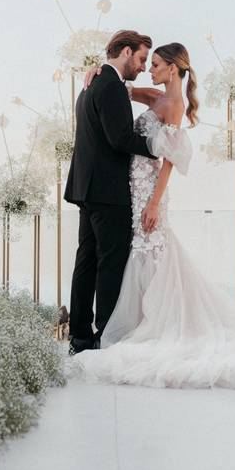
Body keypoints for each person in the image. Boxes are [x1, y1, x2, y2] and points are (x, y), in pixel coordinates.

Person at [70, 42, 235, 388]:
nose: (149, 70)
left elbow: (169, 160)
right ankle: (131, 326)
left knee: (144, 254)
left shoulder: (175, 105)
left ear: (172, 68)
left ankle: (139, 328)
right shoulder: (156, 97)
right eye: (146, 62)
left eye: (155, 65)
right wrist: (95, 69)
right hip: (130, 187)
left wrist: (154, 202)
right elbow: (121, 86)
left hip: (147, 191)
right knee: (132, 256)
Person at [63, 29, 156, 355]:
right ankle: (106, 335)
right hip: (108, 190)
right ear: (127, 51)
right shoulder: (111, 85)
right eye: (143, 58)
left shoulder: (91, 85)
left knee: (86, 260)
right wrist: (160, 147)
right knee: (111, 262)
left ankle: (79, 337)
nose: (144, 67)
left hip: (85, 187)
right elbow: (120, 139)